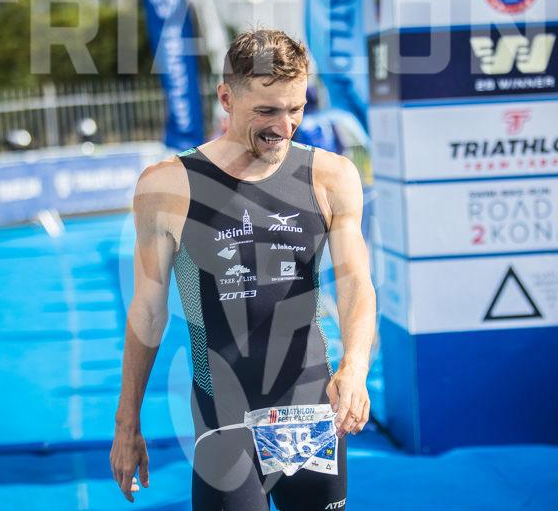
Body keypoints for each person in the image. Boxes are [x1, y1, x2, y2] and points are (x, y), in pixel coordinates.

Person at [110, 29, 376, 510]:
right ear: (227, 99)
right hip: (224, 418)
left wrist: (355, 368)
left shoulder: (330, 177)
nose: (284, 126)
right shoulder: (168, 186)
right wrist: (127, 422)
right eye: (267, 111)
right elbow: (148, 312)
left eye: (296, 109)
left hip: (311, 411)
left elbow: (356, 282)